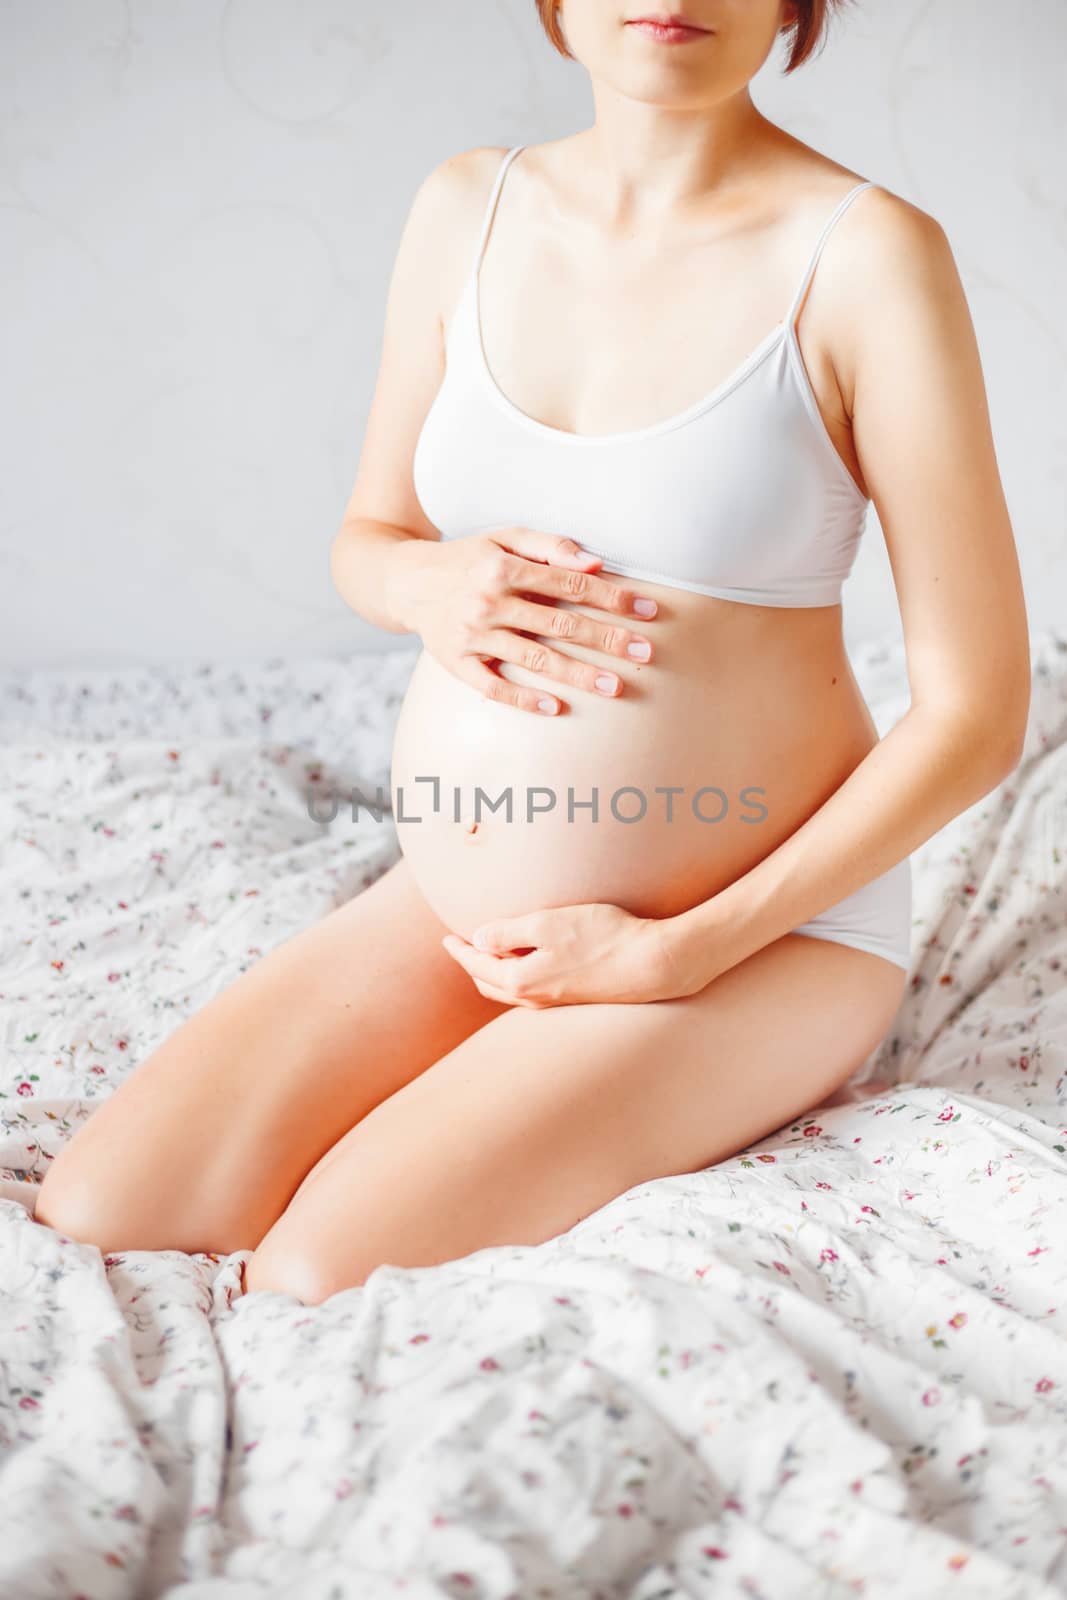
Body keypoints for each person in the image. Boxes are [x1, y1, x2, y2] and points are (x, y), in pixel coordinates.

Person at [35, 1, 1030, 1305]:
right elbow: (369, 535)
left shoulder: (867, 256)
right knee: (105, 1207)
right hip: (461, 907)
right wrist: (428, 580)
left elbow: (978, 711)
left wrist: (678, 954)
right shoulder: (467, 210)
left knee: (314, 1275)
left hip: (750, 944)